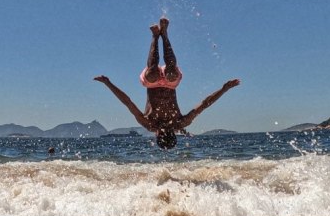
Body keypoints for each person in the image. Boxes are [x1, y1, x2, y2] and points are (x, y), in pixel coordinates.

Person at [94, 17, 239, 149]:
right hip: (171, 84)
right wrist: (224, 89)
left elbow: (128, 103)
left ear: (157, 134)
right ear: (173, 133)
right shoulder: (181, 123)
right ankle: (164, 35)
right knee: (171, 73)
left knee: (152, 74)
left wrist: (108, 83)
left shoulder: (149, 123)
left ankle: (155, 37)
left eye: (163, 132)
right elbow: (204, 104)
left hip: (152, 83)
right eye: (168, 131)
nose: (165, 129)